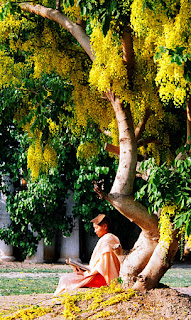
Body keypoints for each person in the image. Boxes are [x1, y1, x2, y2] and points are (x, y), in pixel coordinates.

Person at [53, 214, 121, 296]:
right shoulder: (108, 238)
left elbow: (103, 268)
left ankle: (57, 298)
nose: (95, 231)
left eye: (96, 228)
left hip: (104, 279)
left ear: (105, 226)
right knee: (67, 278)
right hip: (98, 275)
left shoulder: (108, 239)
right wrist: (83, 271)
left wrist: (85, 273)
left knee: (66, 279)